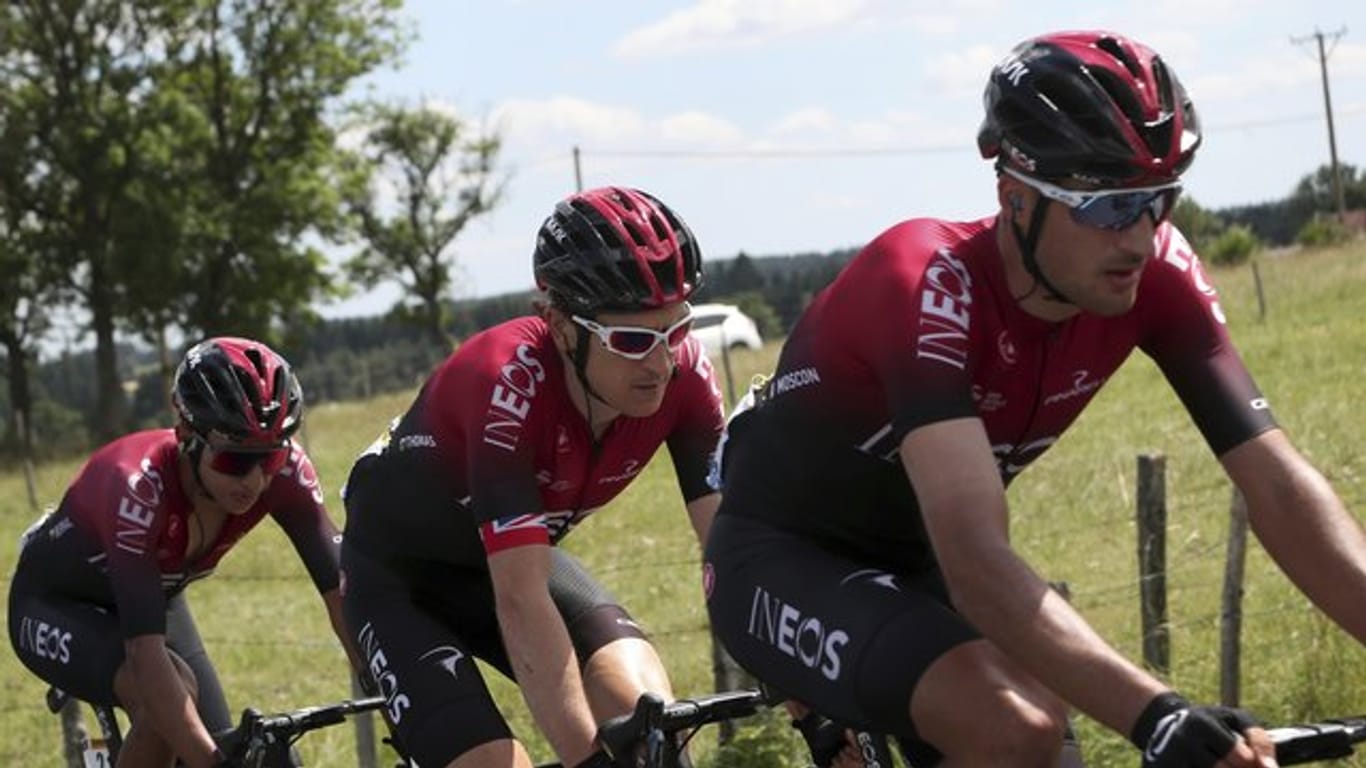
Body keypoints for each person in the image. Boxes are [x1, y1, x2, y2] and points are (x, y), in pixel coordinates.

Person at [703, 29, 1366, 768]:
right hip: (780, 562)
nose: (1142, 238)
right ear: (1016, 198)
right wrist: (1160, 718)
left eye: (1161, 198)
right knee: (1015, 725)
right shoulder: (925, 280)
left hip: (924, 570)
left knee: (1042, 741)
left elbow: (1275, 481)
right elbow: (975, 555)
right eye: (1111, 207)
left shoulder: (1159, 275)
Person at [338, 186, 726, 768]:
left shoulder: (686, 375)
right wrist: (587, 759)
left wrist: (807, 699)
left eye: (675, 329)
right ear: (561, 326)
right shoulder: (505, 385)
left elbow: (733, 547)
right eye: (632, 339)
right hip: (401, 584)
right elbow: (519, 601)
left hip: (515, 561)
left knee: (650, 727)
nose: (661, 363)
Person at [8, 336, 362, 767]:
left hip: (155, 598)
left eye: (268, 458)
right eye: (234, 460)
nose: (252, 479)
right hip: (55, 603)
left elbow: (345, 595)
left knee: (217, 739)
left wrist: (399, 693)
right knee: (169, 701)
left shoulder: (286, 474)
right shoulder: (138, 487)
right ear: (186, 436)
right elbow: (146, 657)